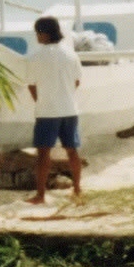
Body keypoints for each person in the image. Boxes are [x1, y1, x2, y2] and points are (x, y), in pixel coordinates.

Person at [23, 15, 82, 203]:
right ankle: (78, 188)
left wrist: (42, 102)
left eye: (37, 33)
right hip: (69, 109)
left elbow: (31, 86)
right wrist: (65, 95)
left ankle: (40, 195)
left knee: (43, 155)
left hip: (47, 112)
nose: (37, 37)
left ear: (44, 34)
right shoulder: (71, 54)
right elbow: (77, 81)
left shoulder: (34, 57)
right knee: (72, 151)